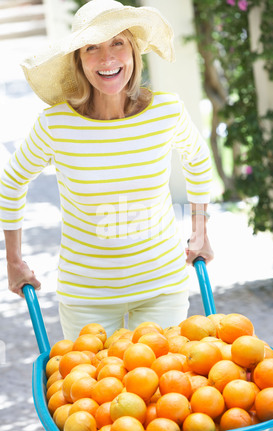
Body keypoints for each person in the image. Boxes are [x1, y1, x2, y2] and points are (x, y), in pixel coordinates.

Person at [0, 0, 214, 341]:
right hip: (87, 298)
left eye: (118, 42)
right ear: (79, 61)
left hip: (162, 287)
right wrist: (14, 261)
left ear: (133, 52)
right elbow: (10, 182)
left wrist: (200, 231)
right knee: (94, 392)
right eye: (92, 48)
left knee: (164, 391)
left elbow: (199, 161)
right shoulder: (56, 125)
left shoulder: (166, 111)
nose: (108, 58)